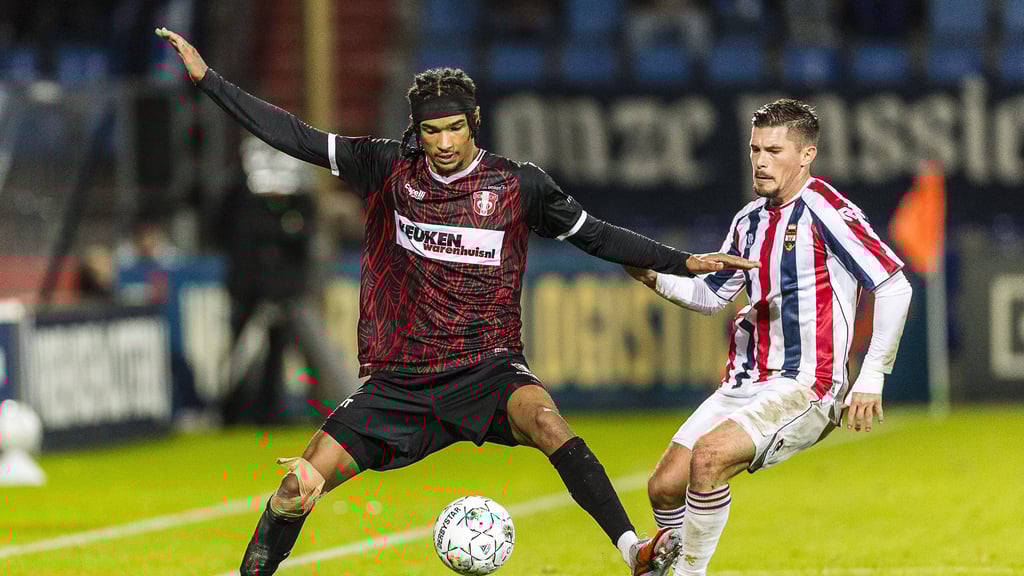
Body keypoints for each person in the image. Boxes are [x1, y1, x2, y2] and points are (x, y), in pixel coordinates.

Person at [156, 27, 758, 576]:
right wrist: (211, 81)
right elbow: (299, 138)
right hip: (400, 380)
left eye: (454, 128)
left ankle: (635, 552)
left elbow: (597, 235)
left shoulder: (520, 185)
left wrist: (684, 261)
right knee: (297, 487)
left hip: (488, 368)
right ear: (415, 131)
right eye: (430, 130)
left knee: (549, 423)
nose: (443, 142)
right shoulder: (388, 167)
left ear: (475, 123)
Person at [623, 99, 913, 575]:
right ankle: (667, 566)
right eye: (755, 148)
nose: (760, 160)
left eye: (774, 150)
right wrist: (652, 276)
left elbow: (893, 285)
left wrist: (872, 377)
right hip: (744, 381)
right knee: (664, 487)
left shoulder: (827, 210)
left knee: (710, 459)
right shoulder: (748, 221)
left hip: (808, 384)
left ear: (806, 155)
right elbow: (712, 296)